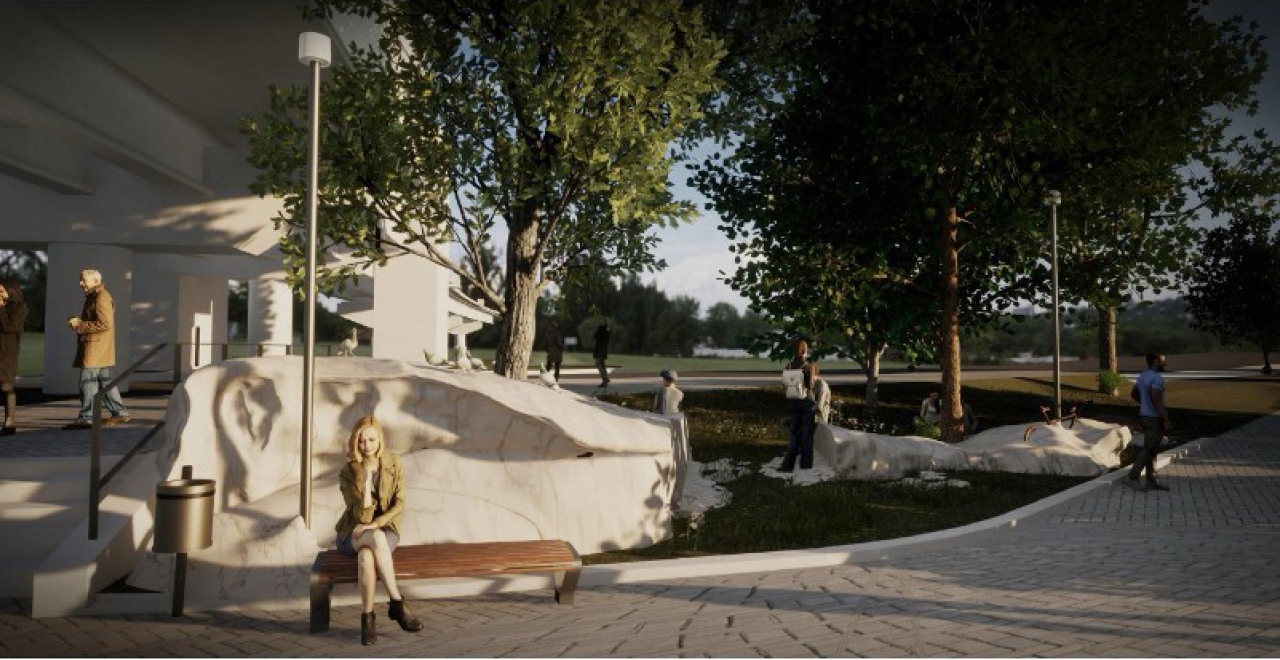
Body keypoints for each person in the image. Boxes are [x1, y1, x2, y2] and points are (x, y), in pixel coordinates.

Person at [335, 415, 424, 645]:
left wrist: (376, 524)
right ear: (355, 442)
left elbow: (400, 504)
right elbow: (359, 517)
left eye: (372, 440)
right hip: (353, 533)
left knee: (367, 557)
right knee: (369, 543)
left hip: (386, 531)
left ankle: (368, 620)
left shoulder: (394, 462)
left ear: (380, 439)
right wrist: (364, 485)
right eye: (362, 441)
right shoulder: (348, 472)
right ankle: (396, 603)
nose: (367, 447)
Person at [64, 269, 130, 429]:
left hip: (95, 349)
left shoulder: (101, 297)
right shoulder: (96, 296)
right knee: (104, 382)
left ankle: (87, 418)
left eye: (83, 280)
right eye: (80, 280)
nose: (80, 283)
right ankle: (120, 413)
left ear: (95, 281)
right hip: (99, 348)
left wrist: (80, 324)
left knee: (87, 383)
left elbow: (106, 323)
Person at [1124, 352, 1173, 492]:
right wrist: (1166, 419)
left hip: (1144, 416)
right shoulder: (1156, 379)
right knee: (1149, 448)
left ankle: (1151, 480)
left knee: (1152, 449)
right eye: (1163, 361)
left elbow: (1133, 394)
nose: (1165, 364)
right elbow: (1157, 401)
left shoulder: (1142, 376)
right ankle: (1132, 476)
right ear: (1155, 362)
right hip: (1154, 418)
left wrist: (1144, 404)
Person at [780, 339, 816, 472]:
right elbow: (810, 386)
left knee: (794, 433)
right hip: (807, 402)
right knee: (807, 434)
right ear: (806, 351)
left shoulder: (788, 366)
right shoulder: (809, 366)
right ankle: (805, 465)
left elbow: (784, 384)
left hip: (793, 401)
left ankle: (788, 465)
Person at [0, 282, 28, 435]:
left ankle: (10, 422)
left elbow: (10, 327)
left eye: (2, 290)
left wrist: (1, 308)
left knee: (6, 385)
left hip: (7, 352)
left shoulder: (20, 308)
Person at [592, 321, 611, 387]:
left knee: (598, 363)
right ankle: (605, 379)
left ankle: (604, 378)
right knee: (602, 364)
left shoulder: (600, 331)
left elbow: (595, 336)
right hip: (603, 349)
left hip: (600, 349)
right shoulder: (606, 332)